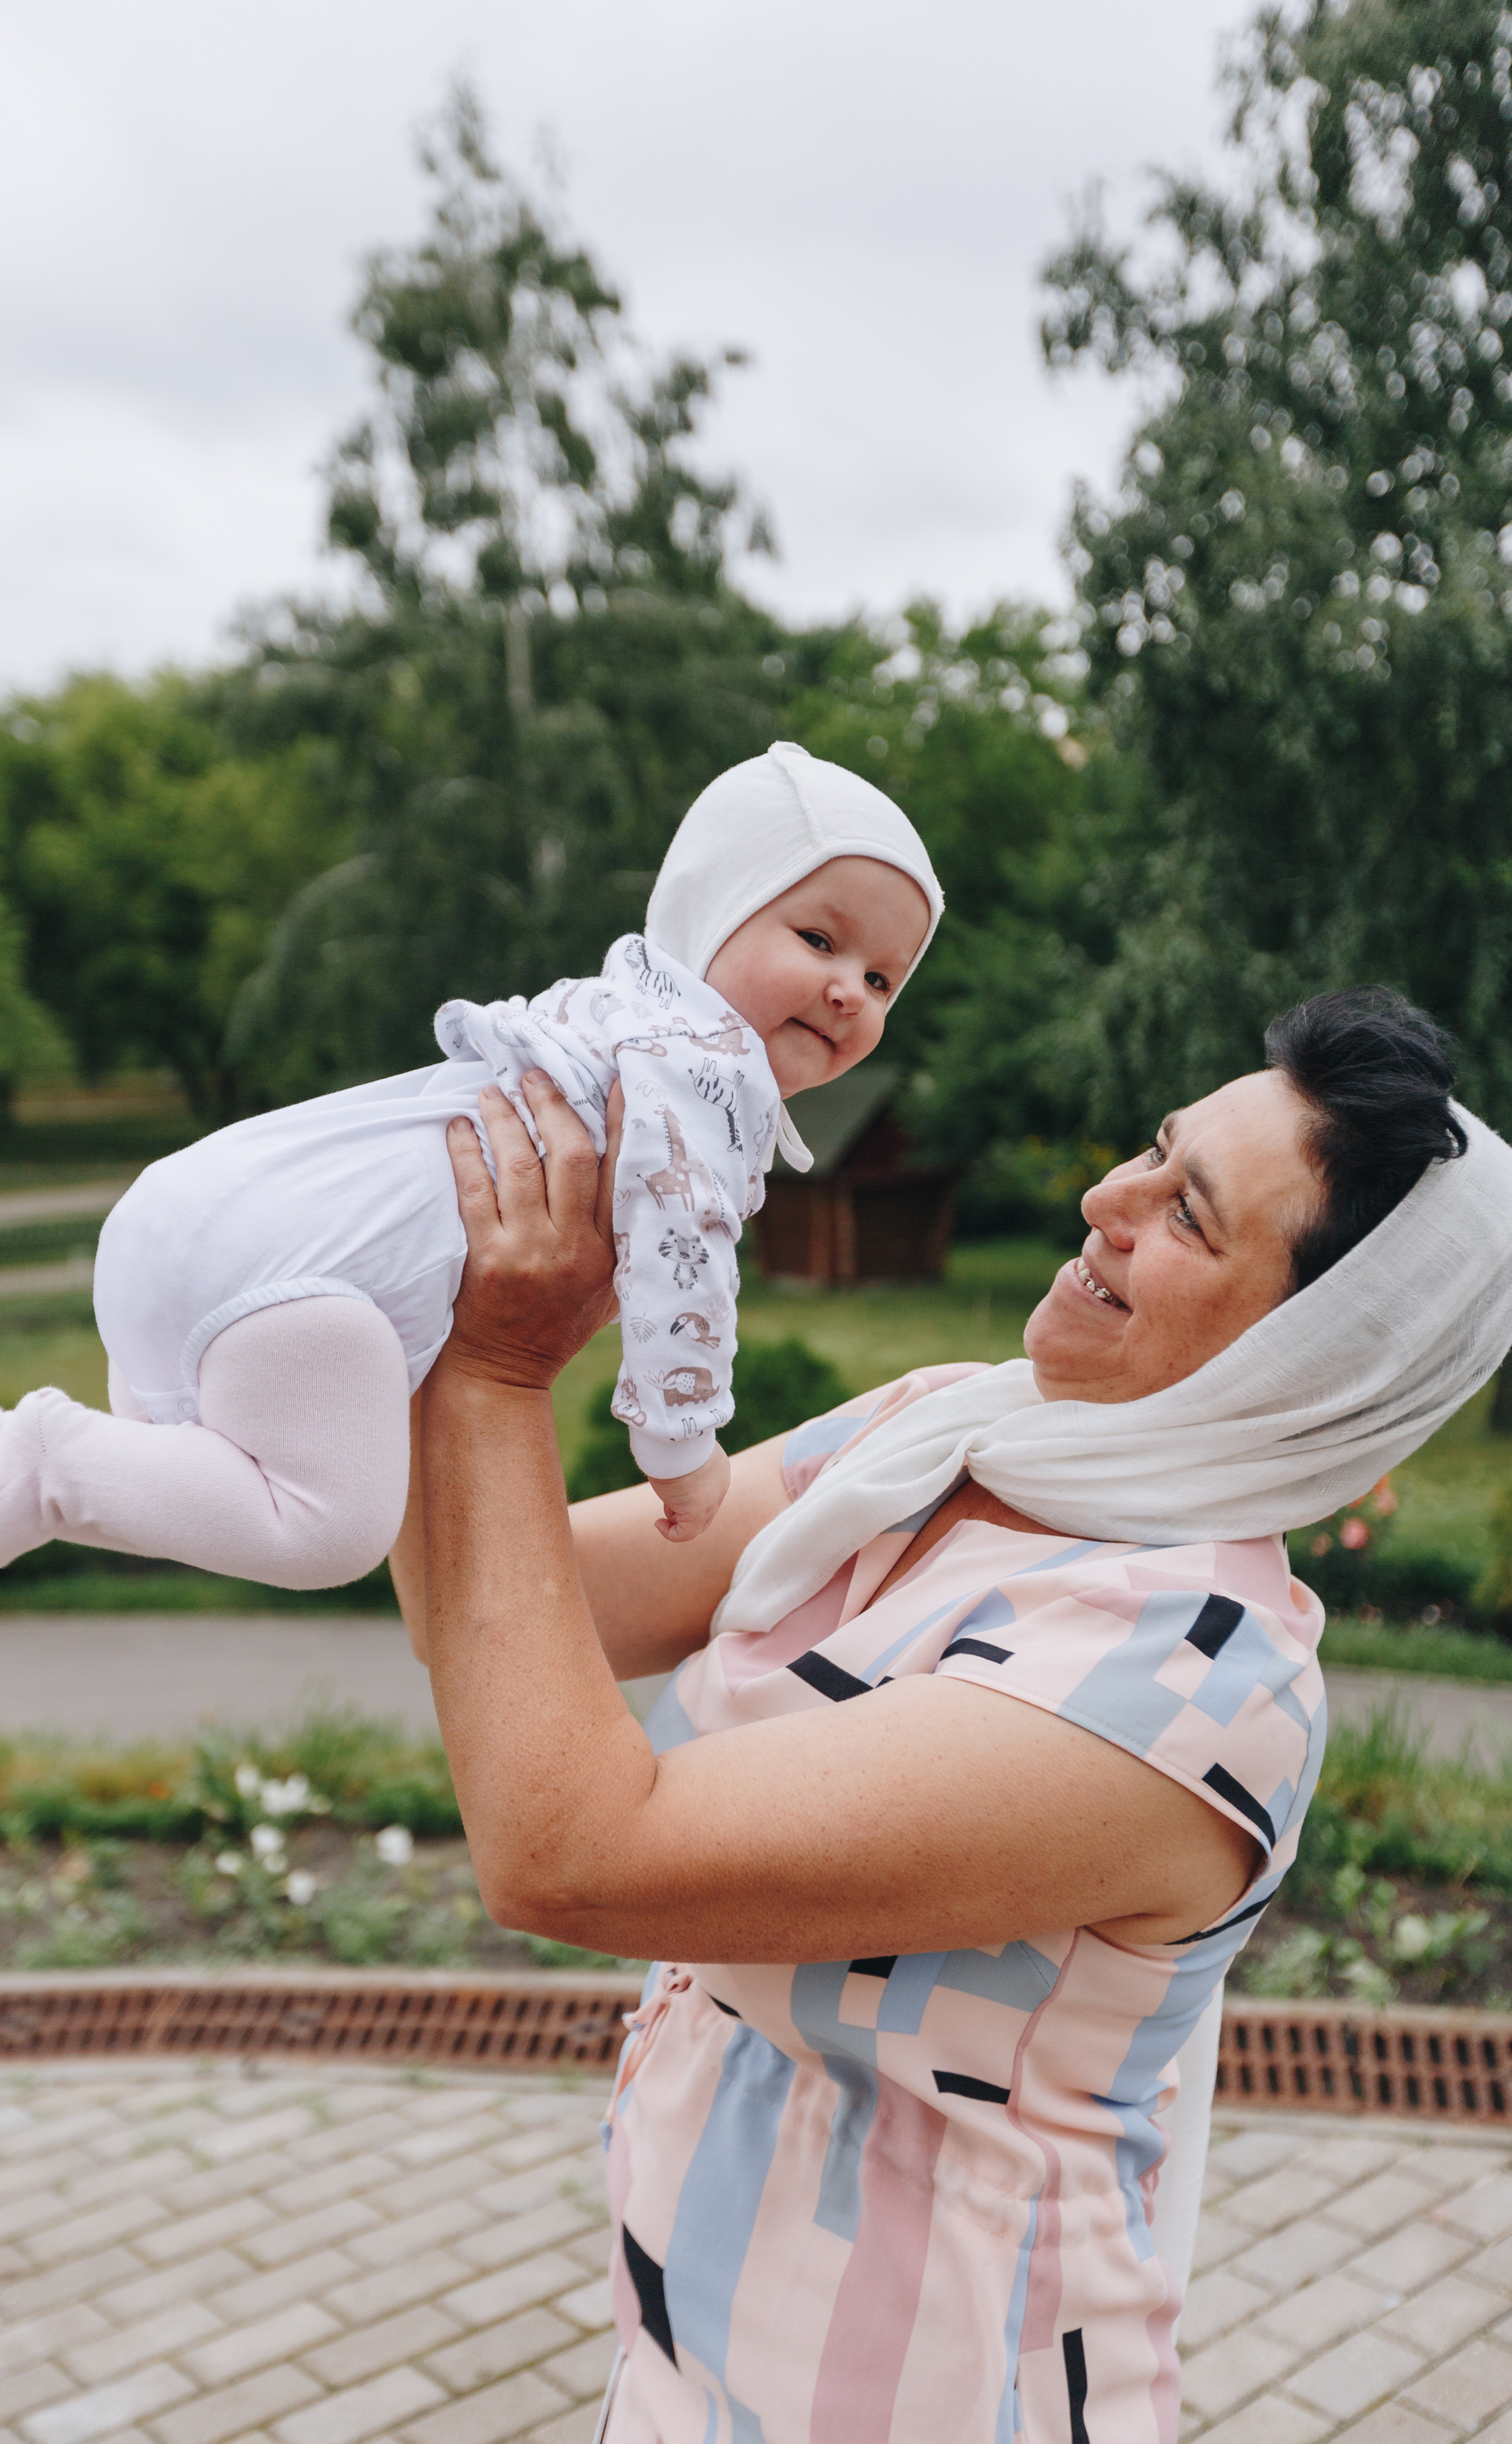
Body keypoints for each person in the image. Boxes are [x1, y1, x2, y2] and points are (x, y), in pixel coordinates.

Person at [395, 987, 1512, 2444]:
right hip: (686, 2348)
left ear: (1307, 1358)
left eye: (1186, 1216)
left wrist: (497, 1370)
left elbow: (571, 1853)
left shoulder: (1190, 1677)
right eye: (1151, 1152)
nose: (1102, 1197)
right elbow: (488, 1606)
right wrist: (431, 1276)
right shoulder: (946, 1425)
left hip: (930, 2396)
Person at [0, 742, 940, 1580]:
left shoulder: (602, 1014)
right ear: (712, 914)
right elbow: (682, 1265)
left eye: (885, 978)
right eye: (817, 939)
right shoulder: (693, 1072)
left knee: (192, 1475)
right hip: (305, 1283)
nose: (850, 988)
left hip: (201, 1212)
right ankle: (13, 1454)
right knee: (326, 1532)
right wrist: (684, 1447)